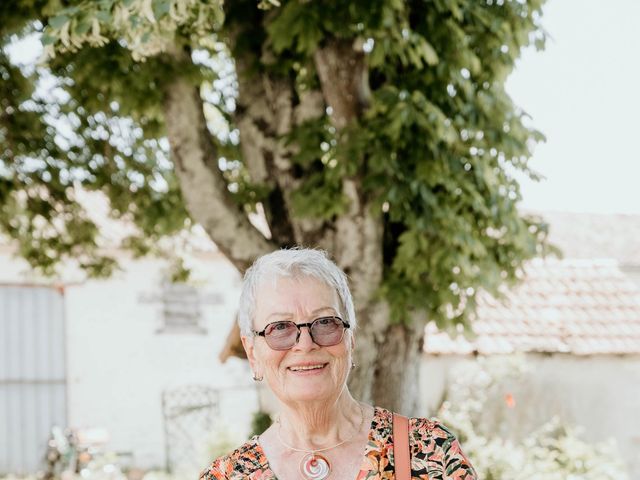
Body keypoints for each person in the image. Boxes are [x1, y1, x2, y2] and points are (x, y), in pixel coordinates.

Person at [201, 248, 477, 480]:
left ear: (350, 338)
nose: (305, 344)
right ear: (252, 353)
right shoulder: (226, 476)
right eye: (280, 327)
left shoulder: (429, 453)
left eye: (324, 322)